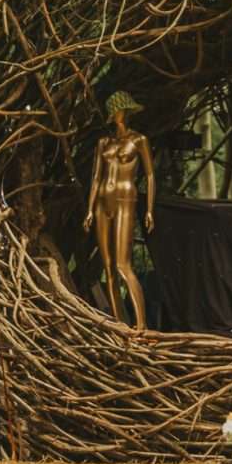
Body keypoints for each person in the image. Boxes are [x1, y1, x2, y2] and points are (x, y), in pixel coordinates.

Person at [85, 89, 154, 330]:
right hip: (103, 201)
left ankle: (141, 325)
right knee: (108, 267)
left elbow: (150, 175)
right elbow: (96, 177)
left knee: (122, 265)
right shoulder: (104, 142)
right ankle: (119, 325)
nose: (117, 115)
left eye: (119, 111)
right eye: (114, 112)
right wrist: (89, 209)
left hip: (126, 199)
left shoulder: (139, 140)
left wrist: (149, 210)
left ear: (126, 111)